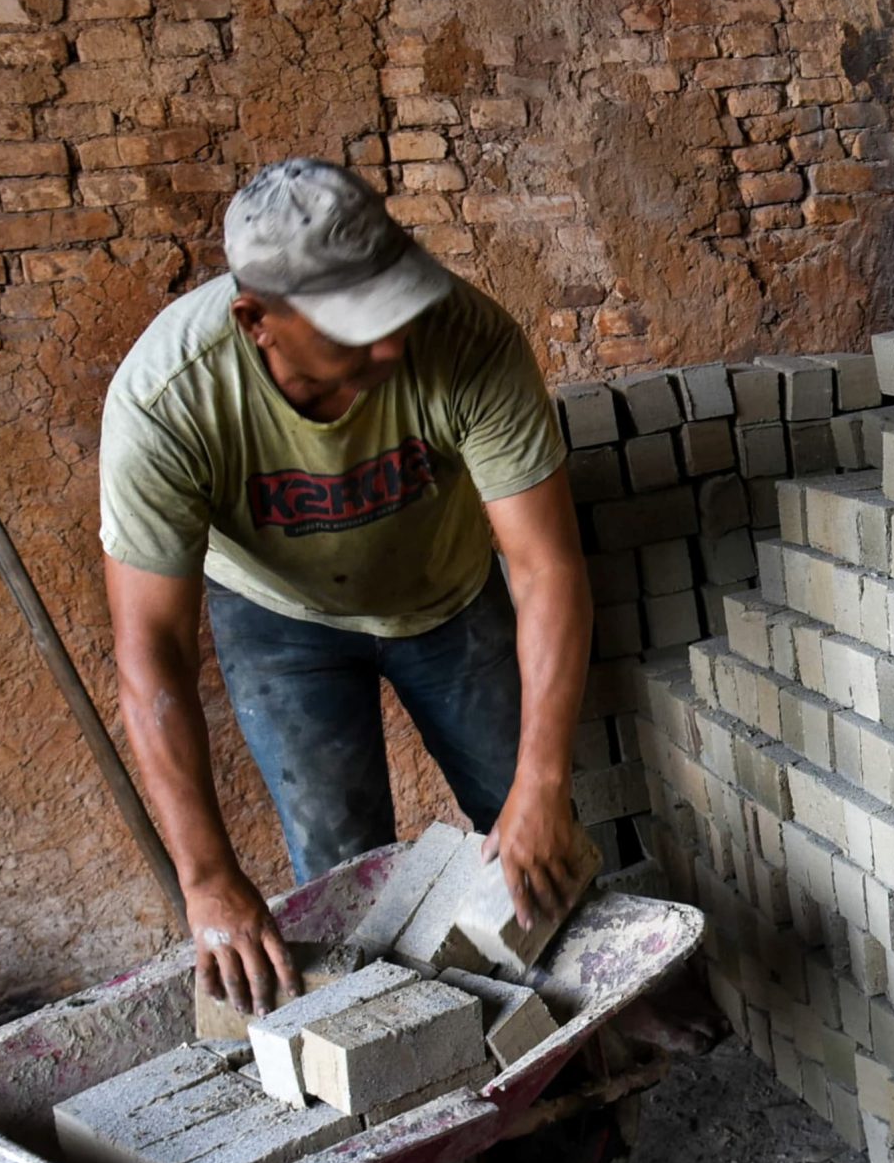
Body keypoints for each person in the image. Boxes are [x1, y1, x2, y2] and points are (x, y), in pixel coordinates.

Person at [99, 158, 594, 1015]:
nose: (392, 345)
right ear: (257, 319)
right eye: (356, 328)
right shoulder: (170, 398)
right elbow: (154, 652)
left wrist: (542, 784)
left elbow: (546, 566)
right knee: (343, 875)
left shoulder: (465, 341)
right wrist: (207, 876)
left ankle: (573, 1069)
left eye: (395, 308)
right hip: (279, 622)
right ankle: (390, 1054)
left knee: (530, 838)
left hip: (447, 598)